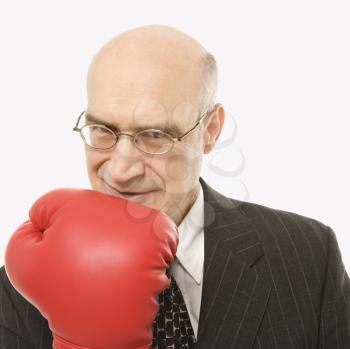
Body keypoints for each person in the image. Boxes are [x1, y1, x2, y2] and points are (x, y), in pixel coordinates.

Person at [0, 24, 349, 349]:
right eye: (102, 130)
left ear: (210, 130)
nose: (120, 170)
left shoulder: (308, 257)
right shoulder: (19, 286)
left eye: (154, 136)